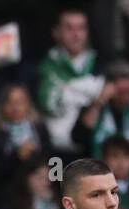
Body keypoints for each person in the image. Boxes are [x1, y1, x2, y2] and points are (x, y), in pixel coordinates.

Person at [36, 6, 105, 158]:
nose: (76, 35)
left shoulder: (100, 64)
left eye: (81, 28)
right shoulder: (46, 67)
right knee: (56, 180)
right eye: (69, 28)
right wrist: (90, 91)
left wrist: (66, 89)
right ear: (56, 32)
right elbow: (50, 103)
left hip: (92, 150)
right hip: (55, 152)